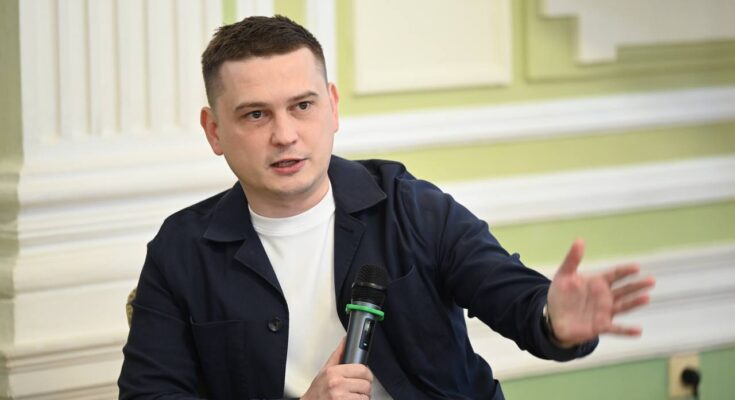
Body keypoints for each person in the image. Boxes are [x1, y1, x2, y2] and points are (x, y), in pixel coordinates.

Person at [118, 15, 655, 400]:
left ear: (332, 107)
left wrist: (554, 320)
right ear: (214, 130)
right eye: (255, 115)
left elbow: (514, 297)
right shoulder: (180, 252)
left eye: (302, 106)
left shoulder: (408, 205)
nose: (285, 135)